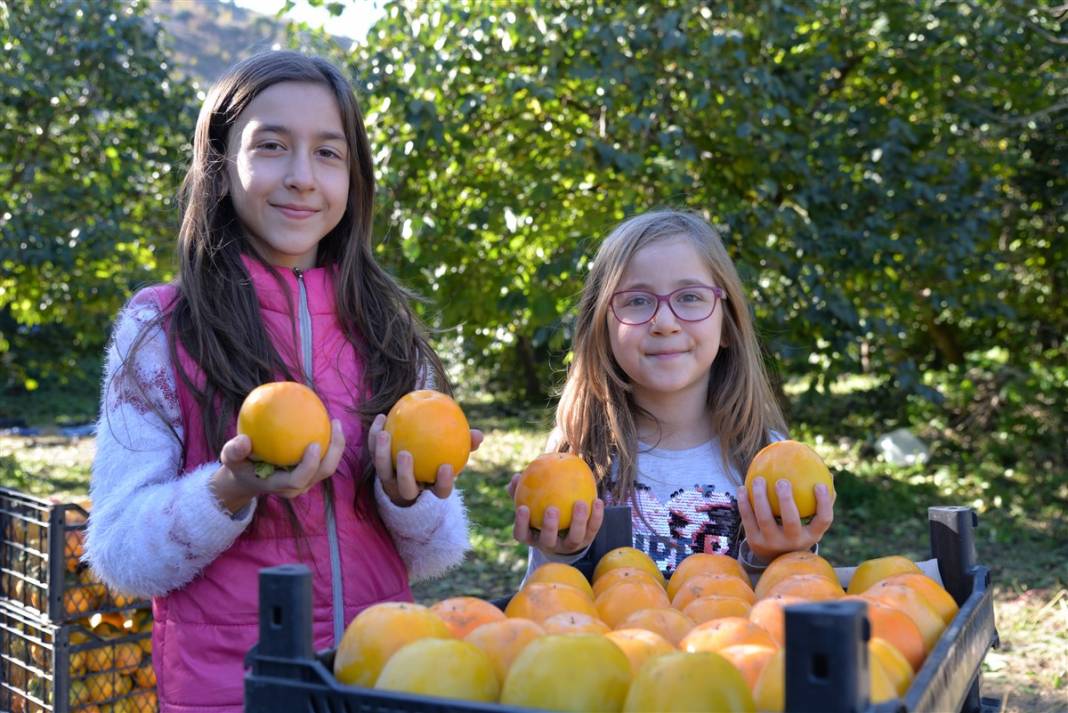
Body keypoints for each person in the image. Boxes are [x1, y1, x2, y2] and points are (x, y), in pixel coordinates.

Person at [84, 51, 476, 712]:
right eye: (271, 146)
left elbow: (440, 553)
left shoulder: (386, 329)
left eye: (328, 153)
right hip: (229, 694)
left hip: (380, 680)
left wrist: (409, 496)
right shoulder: (163, 327)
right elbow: (120, 555)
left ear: (355, 177)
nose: (301, 177)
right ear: (220, 164)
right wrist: (227, 489)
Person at [512, 209, 835, 580]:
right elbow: (548, 607)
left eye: (690, 297)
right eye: (636, 300)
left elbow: (785, 605)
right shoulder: (579, 459)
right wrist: (560, 554)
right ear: (601, 328)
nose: (664, 323)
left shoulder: (769, 462)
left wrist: (771, 558)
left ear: (727, 325)